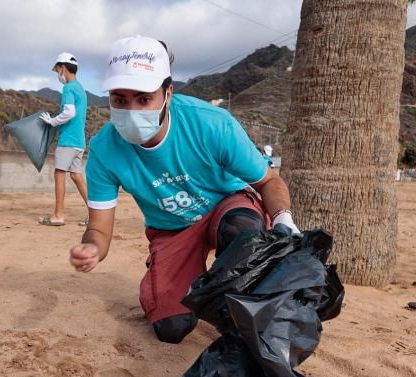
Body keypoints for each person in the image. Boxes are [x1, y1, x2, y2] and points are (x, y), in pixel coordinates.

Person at [69, 36, 299, 344]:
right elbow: (99, 229)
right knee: (171, 328)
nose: (132, 111)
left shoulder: (211, 124)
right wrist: (92, 249)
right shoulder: (103, 151)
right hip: (171, 230)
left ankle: (239, 307)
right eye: (119, 100)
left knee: (243, 229)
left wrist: (283, 218)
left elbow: (268, 181)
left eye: (144, 98)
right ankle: (181, 279)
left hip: (225, 208)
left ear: (167, 94)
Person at [38, 52, 88, 226]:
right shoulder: (81, 88)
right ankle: (96, 214)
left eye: (57, 69)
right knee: (76, 176)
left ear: (63, 68)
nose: (57, 73)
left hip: (68, 140)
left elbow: (69, 112)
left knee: (59, 174)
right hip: (79, 141)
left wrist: (52, 121)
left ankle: (58, 215)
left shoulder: (68, 88)